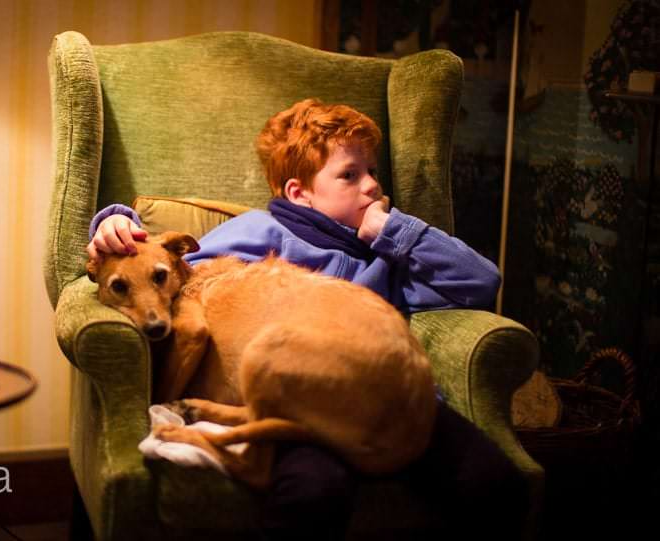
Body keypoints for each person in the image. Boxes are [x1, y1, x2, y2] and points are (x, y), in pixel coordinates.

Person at [87, 99, 528, 539]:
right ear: (299, 193)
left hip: (386, 396)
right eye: (350, 175)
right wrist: (117, 224)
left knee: (497, 482)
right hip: (294, 402)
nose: (372, 186)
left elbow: (481, 281)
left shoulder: (389, 260)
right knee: (315, 488)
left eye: (373, 171)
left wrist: (391, 233)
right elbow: (167, 269)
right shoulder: (260, 230)